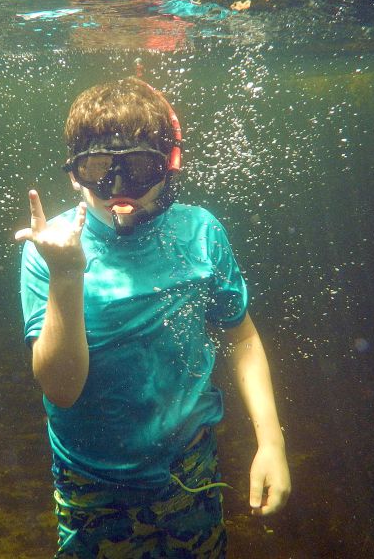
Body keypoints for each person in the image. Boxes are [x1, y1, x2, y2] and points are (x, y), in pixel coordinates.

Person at [15, 76, 290, 558]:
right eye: (99, 168)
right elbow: (61, 390)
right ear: (75, 173)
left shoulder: (199, 232)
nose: (119, 189)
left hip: (190, 470)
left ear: (169, 166)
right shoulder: (49, 249)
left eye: (140, 168)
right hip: (93, 486)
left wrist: (271, 443)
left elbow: (242, 337)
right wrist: (66, 274)